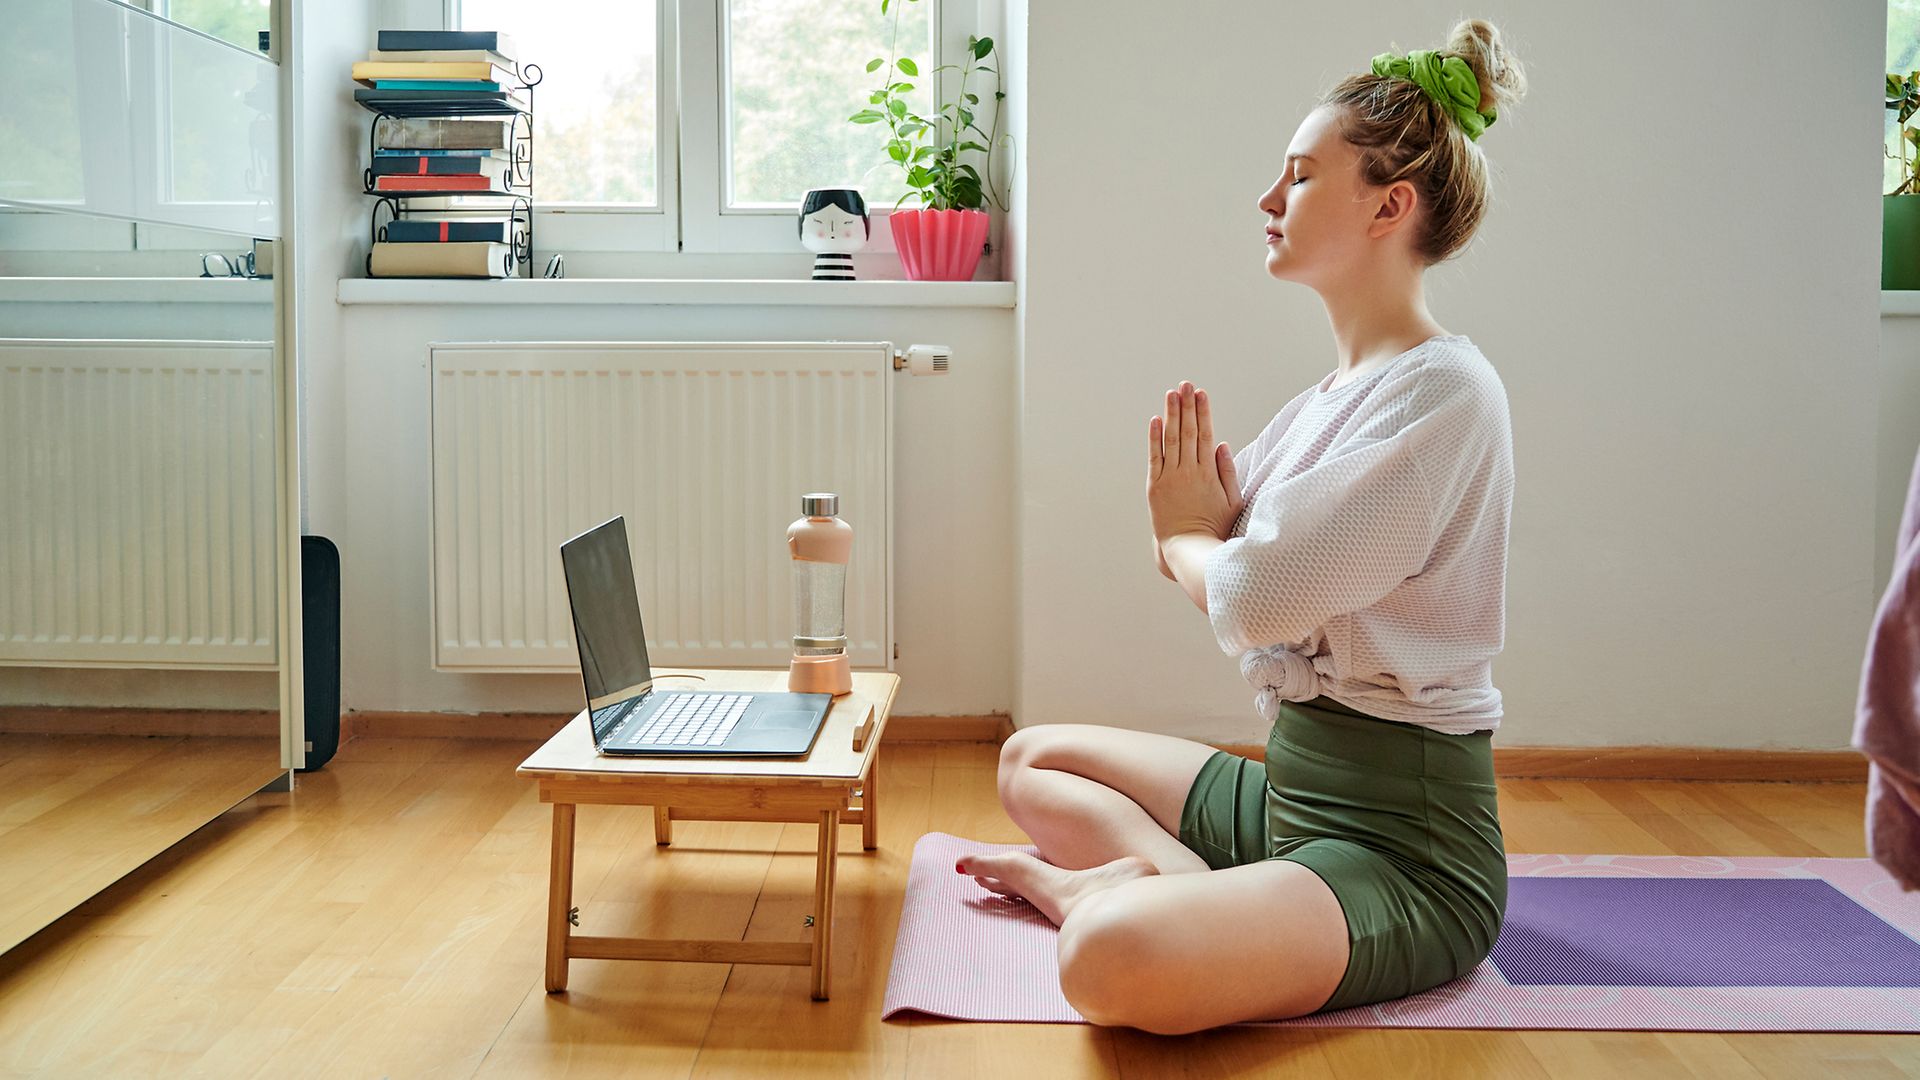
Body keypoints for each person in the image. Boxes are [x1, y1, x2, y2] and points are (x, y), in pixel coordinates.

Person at [953, 19, 1527, 1035]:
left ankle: (1123, 902)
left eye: (1301, 179)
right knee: (1029, 759)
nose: (1269, 200)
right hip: (1291, 802)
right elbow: (1223, 558)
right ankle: (1163, 879)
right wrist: (1198, 545)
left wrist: (1190, 541)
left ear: (1390, 205)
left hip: (1403, 853)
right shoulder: (1338, 399)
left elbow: (1246, 592)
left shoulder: (1445, 394)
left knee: (1106, 965)